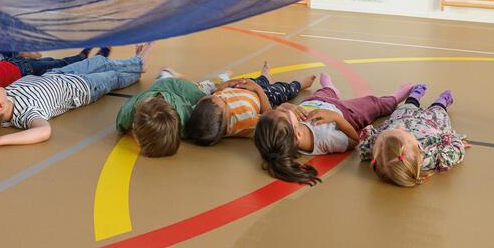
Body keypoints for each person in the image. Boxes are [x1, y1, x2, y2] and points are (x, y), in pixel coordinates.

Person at [0, 47, 149, 151]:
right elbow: (44, 131)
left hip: (58, 75)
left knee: (99, 62)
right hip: (84, 88)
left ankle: (134, 61)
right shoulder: (24, 116)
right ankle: (139, 63)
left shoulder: (0, 101)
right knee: (112, 75)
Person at [252, 74, 412, 185]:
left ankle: (331, 88)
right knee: (373, 103)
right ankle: (395, 98)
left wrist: (290, 107)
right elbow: (353, 141)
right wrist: (336, 118)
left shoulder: (284, 130)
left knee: (324, 92)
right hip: (346, 112)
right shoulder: (325, 138)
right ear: (298, 133)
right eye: (284, 113)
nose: (283, 108)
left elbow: (280, 110)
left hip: (316, 101)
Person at [357, 85, 467, 187]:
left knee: (408, 105)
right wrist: (454, 141)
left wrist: (374, 143)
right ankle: (443, 101)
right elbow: (456, 150)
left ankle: (415, 94)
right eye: (404, 131)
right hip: (432, 121)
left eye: (391, 130)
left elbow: (364, 145)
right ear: (416, 150)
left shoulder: (380, 150)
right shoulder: (433, 156)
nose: (401, 127)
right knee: (438, 109)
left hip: (403, 116)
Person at [186, 62, 316, 145]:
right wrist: (257, 89)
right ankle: (301, 83)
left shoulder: (209, 108)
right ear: (225, 116)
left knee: (262, 79)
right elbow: (268, 113)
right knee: (285, 90)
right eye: (223, 101)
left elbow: (218, 91)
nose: (220, 96)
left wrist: (227, 85)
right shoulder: (244, 121)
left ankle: (265, 76)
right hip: (263, 96)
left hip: (243, 86)